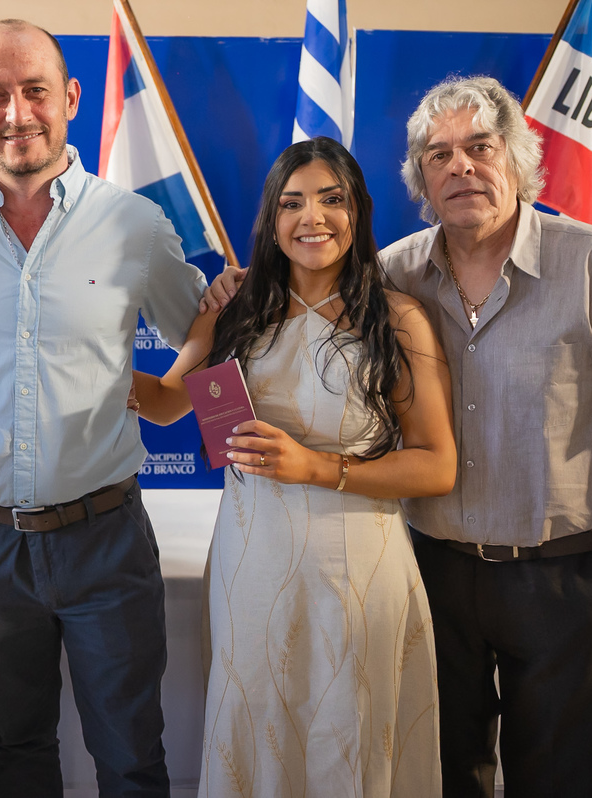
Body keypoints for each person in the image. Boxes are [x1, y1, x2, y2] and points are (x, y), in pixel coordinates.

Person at [0, 19, 213, 797]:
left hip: (105, 541)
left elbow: (202, 339)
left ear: (70, 98)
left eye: (34, 90)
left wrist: (193, 408)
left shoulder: (134, 224)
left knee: (132, 755)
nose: (17, 114)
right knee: (20, 749)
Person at [378, 76, 592, 796]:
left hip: (560, 580)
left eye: (479, 147)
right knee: (440, 775)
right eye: (438, 156)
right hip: (430, 573)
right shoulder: (392, 274)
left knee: (557, 781)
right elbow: (299, 307)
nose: (460, 166)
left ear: (517, 160)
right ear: (421, 181)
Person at [134, 137, 456, 797]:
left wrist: (320, 468)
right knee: (258, 730)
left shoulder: (397, 320)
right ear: (271, 222)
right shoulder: (233, 310)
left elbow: (436, 466)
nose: (313, 217)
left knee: (353, 731)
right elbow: (167, 404)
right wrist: (86, 359)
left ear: (358, 212)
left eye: (332, 199)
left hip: (357, 568)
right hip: (252, 564)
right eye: (293, 202)